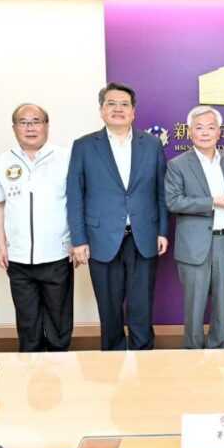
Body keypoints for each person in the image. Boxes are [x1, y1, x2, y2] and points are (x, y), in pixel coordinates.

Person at [67, 82, 169, 351]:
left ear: (133, 111)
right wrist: (79, 240)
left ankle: (143, 359)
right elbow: (75, 195)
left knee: (142, 308)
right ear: (101, 110)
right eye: (111, 104)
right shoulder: (84, 146)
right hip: (100, 239)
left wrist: (162, 231)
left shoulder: (152, 144)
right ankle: (111, 363)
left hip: (143, 237)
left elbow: (161, 191)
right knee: (109, 310)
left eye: (124, 104)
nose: (118, 109)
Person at [0, 103, 73, 352]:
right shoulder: (5, 160)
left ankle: (60, 362)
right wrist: (1, 245)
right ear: (14, 128)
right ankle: (31, 365)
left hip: (57, 254)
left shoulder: (65, 157)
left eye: (36, 121)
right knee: (28, 322)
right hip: (18, 257)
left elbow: (77, 203)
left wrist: (76, 241)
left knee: (59, 319)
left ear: (46, 126)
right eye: (23, 122)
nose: (30, 128)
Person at [165, 106, 224, 349]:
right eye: (199, 128)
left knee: (222, 304)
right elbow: (173, 201)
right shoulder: (177, 164)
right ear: (189, 132)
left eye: (211, 127)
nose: (205, 133)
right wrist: (212, 202)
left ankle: (219, 350)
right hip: (194, 245)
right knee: (194, 305)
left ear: (219, 132)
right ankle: (193, 353)